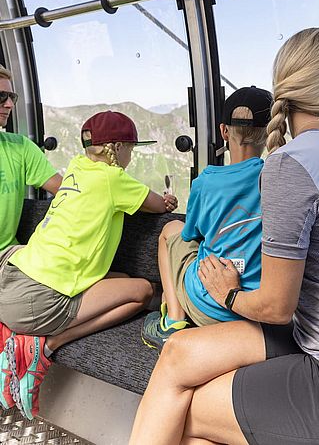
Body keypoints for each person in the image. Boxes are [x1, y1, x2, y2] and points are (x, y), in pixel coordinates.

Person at [129, 28, 319, 445]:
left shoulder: (289, 164)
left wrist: (227, 293)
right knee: (176, 356)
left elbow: (275, 306)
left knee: (182, 412)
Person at [0, 110, 178, 420]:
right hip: (37, 300)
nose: (131, 157)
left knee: (120, 278)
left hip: (13, 278)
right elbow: (158, 205)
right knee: (141, 290)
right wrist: (169, 200)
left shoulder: (75, 169)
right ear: (117, 149)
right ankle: (45, 346)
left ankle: (31, 340)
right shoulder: (114, 178)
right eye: (130, 150)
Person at [142, 86, 272, 350]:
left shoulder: (207, 181)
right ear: (269, 132)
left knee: (170, 230)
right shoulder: (277, 180)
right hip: (255, 310)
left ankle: (173, 321)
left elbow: (190, 234)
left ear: (224, 131)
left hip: (208, 306)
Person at [0, 64, 62, 251]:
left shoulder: (20, 146)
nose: (9, 104)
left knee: (127, 280)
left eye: (12, 97)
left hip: (9, 256)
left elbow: (67, 190)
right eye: (1, 96)